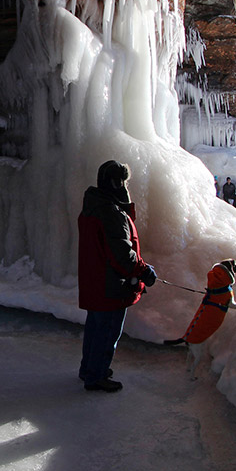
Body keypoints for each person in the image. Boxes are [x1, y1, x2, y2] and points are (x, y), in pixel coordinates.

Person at [77, 160, 157, 392]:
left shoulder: (93, 206)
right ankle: (96, 375)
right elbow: (122, 253)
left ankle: (89, 368)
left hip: (96, 281)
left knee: (95, 328)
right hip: (110, 284)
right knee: (108, 330)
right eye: (121, 181)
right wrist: (143, 271)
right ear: (115, 183)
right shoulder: (111, 212)